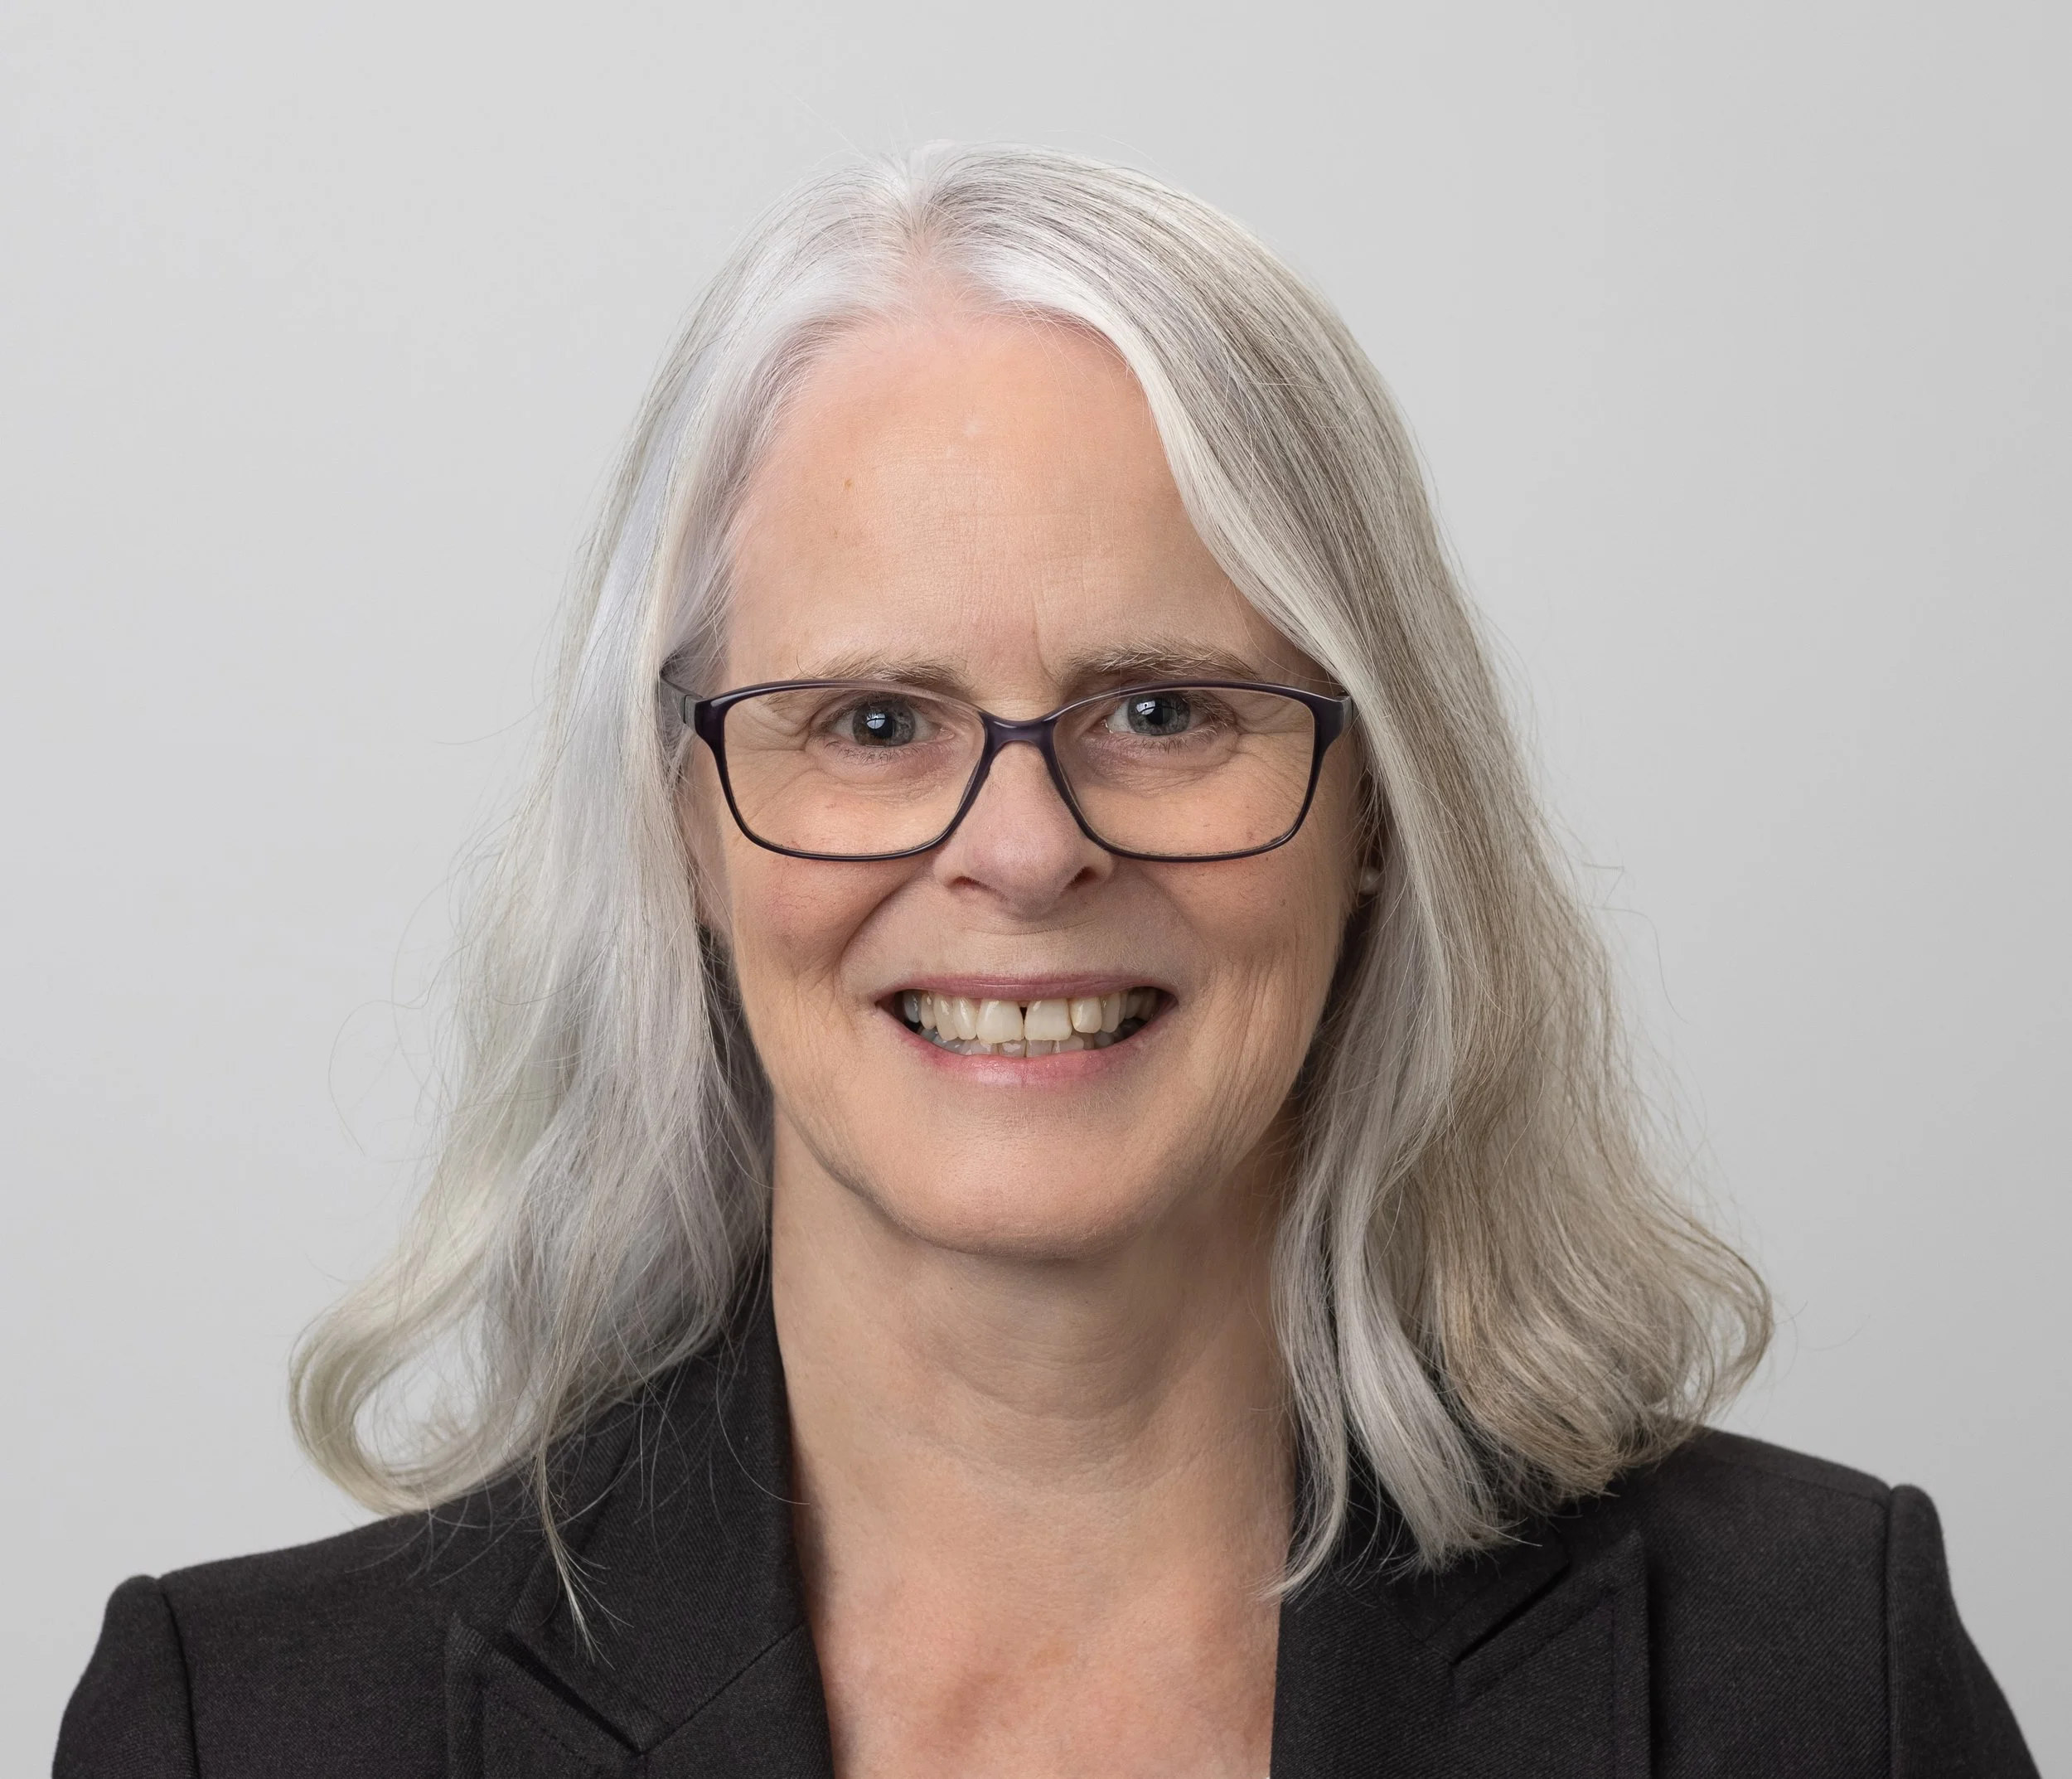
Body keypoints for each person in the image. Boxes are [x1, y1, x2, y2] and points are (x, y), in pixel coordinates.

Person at [56, 144, 2036, 1779]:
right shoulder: (242, 1724)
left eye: (1164, 709)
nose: (1022, 849)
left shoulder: (1809, 1668)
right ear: (676, 826)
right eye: (869, 720)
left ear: (1374, 807)